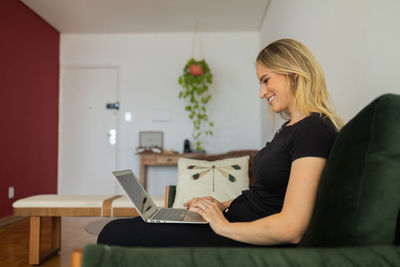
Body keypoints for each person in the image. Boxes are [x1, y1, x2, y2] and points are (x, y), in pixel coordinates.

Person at [97, 38, 343, 247]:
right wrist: (219, 205)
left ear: (293, 73)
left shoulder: (313, 131)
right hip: (231, 220)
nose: (262, 92)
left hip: (236, 233)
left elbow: (292, 227)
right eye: (261, 83)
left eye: (266, 80)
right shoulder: (291, 129)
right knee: (133, 226)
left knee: (114, 233)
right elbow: (268, 196)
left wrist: (222, 226)